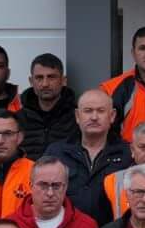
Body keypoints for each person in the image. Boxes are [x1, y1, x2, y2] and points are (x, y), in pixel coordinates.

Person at [54, 89, 132, 219]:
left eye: (101, 111)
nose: (94, 117)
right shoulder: (57, 153)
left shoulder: (128, 154)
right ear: (77, 116)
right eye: (88, 111)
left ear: (112, 116)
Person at [14, 52, 78, 159]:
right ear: (31, 81)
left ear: (63, 80)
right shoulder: (17, 120)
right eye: (39, 78)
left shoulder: (78, 117)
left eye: (51, 77)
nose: (45, 84)